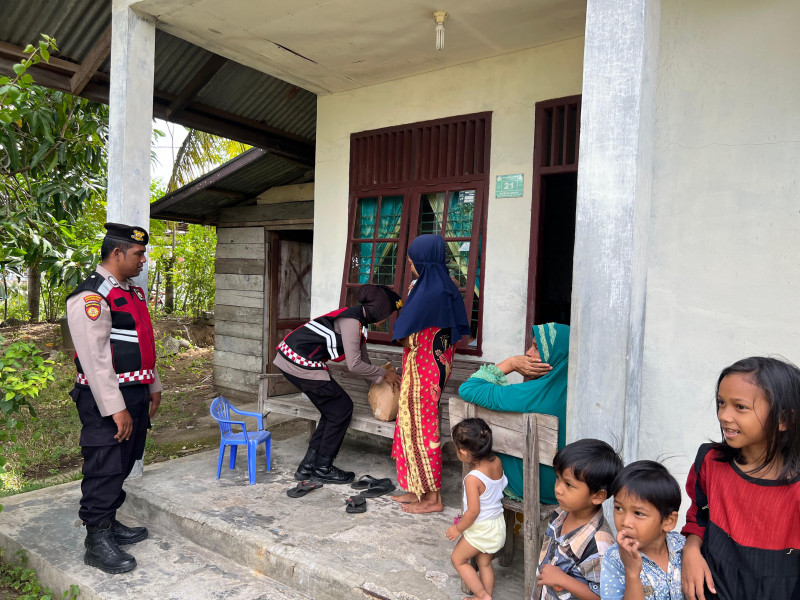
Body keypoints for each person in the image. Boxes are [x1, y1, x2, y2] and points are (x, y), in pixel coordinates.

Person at [66, 223, 162, 574]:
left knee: (123, 461)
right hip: (106, 398)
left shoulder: (132, 293)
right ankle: (96, 538)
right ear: (117, 253)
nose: (143, 260)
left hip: (134, 391)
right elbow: (94, 359)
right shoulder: (92, 295)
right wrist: (116, 407)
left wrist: (153, 385)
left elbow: (143, 342)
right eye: (138, 254)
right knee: (104, 464)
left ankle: (108, 520)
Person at [681, 357, 800, 600]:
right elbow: (699, 516)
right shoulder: (711, 462)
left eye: (740, 407)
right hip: (713, 588)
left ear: (784, 420)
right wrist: (691, 550)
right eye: (721, 403)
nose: (724, 415)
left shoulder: (796, 490)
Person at [274, 284, 403, 484]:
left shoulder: (357, 321)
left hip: (291, 359)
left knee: (333, 411)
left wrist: (384, 376)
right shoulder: (352, 322)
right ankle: (323, 468)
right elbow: (354, 365)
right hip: (299, 361)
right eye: (387, 313)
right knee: (342, 408)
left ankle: (307, 466)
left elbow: (364, 363)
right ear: (378, 309)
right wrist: (383, 374)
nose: (386, 319)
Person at [391, 234, 471, 513]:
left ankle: (432, 498)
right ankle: (417, 489)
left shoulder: (428, 293)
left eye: (412, 260)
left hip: (423, 375)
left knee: (422, 430)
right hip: (429, 371)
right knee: (409, 428)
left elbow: (404, 334)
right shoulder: (443, 287)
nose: (410, 264)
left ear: (422, 261)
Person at [458, 322, 567, 505]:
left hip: (531, 484)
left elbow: (468, 388)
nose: (528, 353)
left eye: (536, 348)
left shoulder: (528, 395)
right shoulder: (582, 398)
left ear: (556, 356)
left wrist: (511, 363)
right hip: (567, 486)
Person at [535, 439, 622, 600]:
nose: (558, 489)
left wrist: (562, 579)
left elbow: (602, 597)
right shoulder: (561, 513)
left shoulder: (600, 546)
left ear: (598, 496)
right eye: (558, 478)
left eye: (568, 484)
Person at [601, 461, 685, 600]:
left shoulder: (682, 547)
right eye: (619, 508)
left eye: (638, 513)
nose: (625, 522)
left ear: (668, 522)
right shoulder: (614, 559)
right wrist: (632, 573)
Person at [446, 418, 507, 600]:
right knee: (485, 564)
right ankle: (486, 595)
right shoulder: (496, 461)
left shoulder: (473, 479)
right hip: (497, 524)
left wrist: (457, 528)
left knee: (458, 559)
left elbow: (473, 511)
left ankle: (481, 596)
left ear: (464, 452)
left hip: (481, 528)